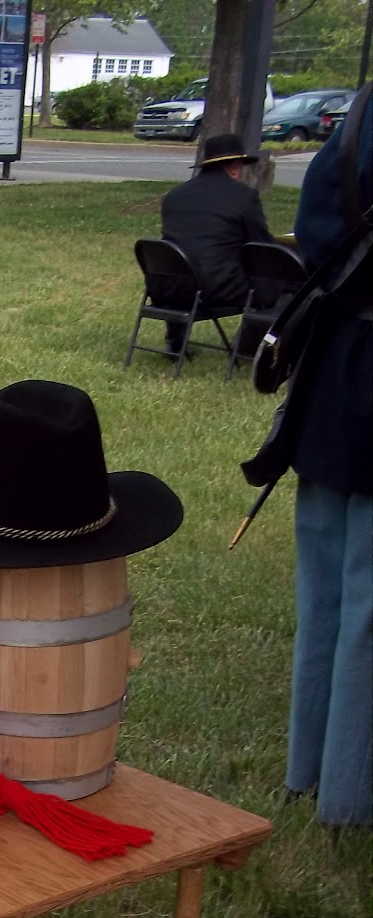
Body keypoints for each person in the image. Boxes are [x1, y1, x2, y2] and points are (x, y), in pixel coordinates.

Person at [282, 89, 372, 827]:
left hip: (332, 381)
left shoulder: (360, 120)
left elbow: (316, 246)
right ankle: (348, 796)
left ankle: (310, 770)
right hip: (351, 378)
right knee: (361, 606)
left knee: (329, 598)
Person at [160, 132, 274, 355]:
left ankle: (175, 340)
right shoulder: (243, 196)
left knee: (186, 263)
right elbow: (261, 248)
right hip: (218, 289)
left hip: (169, 287)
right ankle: (248, 347)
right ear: (233, 166)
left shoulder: (175, 196)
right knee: (276, 282)